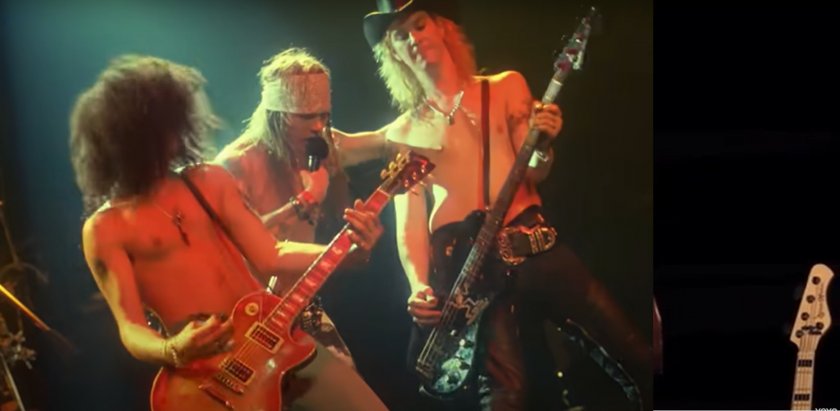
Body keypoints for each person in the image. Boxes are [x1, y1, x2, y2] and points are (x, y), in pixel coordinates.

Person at [350, 1, 653, 409]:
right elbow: (409, 221)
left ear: (442, 28)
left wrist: (542, 146)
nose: (413, 39)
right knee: (504, 395)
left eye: (419, 25)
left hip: (533, 243)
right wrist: (418, 284)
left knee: (633, 353)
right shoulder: (404, 131)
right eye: (400, 37)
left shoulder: (505, 86)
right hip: (469, 268)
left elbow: (535, 170)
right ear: (394, 54)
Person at [69, 54, 389, 411]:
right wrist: (172, 350)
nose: (178, 135)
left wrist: (350, 250)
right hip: (205, 375)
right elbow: (129, 327)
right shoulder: (104, 229)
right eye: (166, 126)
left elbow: (272, 254)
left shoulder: (206, 180)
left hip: (275, 339)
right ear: (130, 136)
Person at [214, 47, 368, 368]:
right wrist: (305, 200)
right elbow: (234, 245)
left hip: (300, 305)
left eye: (323, 115)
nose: (318, 126)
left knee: (349, 378)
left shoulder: (320, 150)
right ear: (278, 115)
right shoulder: (235, 163)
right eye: (306, 116)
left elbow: (383, 141)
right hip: (246, 315)